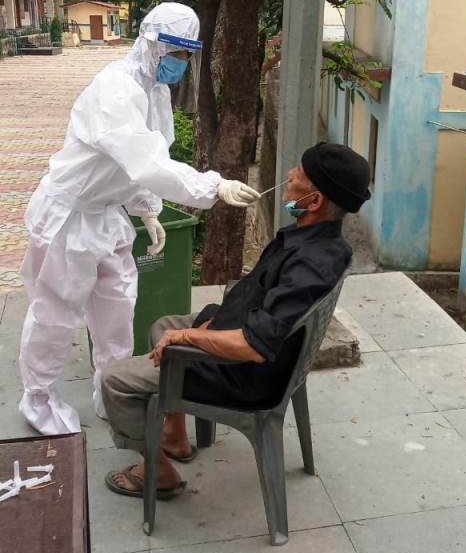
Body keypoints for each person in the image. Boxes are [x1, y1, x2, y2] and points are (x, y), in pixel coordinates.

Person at [19, 2, 260, 437]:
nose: (181, 62)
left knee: (116, 309)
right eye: (177, 52)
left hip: (107, 214)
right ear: (153, 45)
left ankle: (112, 390)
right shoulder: (116, 89)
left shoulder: (154, 91)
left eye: (187, 54)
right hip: (71, 216)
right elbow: (143, 160)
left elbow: (151, 154)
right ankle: (38, 398)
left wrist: (147, 209)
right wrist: (211, 186)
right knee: (55, 313)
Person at [101, 141, 371, 500]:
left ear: (315, 200)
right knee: (163, 326)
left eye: (299, 174)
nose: (289, 175)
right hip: (248, 339)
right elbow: (258, 300)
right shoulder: (316, 241)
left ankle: (159, 472)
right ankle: (174, 435)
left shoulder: (310, 263)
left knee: (115, 380)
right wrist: (208, 324)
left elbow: (253, 346)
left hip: (244, 375)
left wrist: (191, 338)